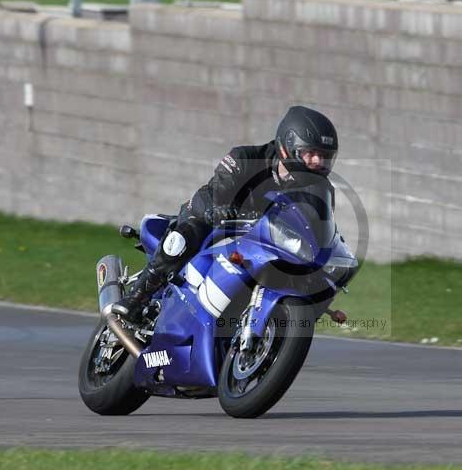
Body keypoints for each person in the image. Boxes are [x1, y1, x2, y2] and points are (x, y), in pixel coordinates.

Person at [111, 105, 339, 323]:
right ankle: (137, 296)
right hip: (212, 215)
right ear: (286, 147)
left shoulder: (321, 189)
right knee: (187, 234)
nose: (318, 162)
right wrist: (222, 208)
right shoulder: (245, 158)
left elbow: (317, 226)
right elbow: (222, 189)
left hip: (260, 238)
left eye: (324, 156)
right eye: (311, 153)